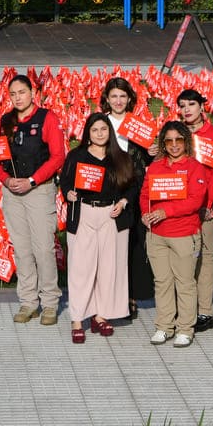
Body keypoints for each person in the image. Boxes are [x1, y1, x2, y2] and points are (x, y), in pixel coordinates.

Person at [58, 113, 139, 343]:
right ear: (88, 133)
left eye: (104, 129)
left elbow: (132, 187)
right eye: (95, 130)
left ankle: (101, 315)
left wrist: (123, 202)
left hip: (111, 216)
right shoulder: (77, 155)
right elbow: (65, 181)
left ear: (109, 132)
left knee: (109, 267)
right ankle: (78, 318)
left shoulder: (120, 158)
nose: (100, 134)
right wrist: (69, 193)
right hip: (84, 213)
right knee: (81, 268)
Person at [0, 74, 66, 326]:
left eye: (21, 92)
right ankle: (28, 302)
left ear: (32, 92)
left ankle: (49, 303)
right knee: (22, 249)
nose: (17, 98)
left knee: (43, 249)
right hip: (12, 192)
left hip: (38, 190)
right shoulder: (5, 121)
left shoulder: (48, 118)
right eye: (13, 94)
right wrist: (5, 179)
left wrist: (32, 181)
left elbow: (58, 157)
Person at [140, 121, 209, 348]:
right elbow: (145, 195)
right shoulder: (157, 166)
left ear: (186, 141)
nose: (174, 145)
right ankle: (164, 326)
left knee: (185, 283)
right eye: (168, 141)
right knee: (162, 282)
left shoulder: (194, 168)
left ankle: (185, 328)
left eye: (178, 140)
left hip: (183, 233)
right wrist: (146, 213)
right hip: (157, 234)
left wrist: (165, 211)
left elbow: (194, 201)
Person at [99, 77, 154, 320]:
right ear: (107, 99)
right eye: (114, 96)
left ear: (129, 98)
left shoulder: (137, 125)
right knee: (109, 245)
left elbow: (147, 158)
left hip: (135, 188)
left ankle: (131, 295)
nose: (119, 101)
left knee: (133, 242)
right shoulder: (101, 123)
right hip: (108, 188)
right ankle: (110, 296)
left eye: (123, 96)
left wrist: (153, 151)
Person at [175, 88, 213, 334]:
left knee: (204, 256)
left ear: (202, 107)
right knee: (182, 256)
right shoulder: (176, 132)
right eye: (182, 105)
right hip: (180, 204)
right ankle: (184, 307)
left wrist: (208, 203)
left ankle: (205, 311)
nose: (187, 109)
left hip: (205, 207)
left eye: (191, 104)